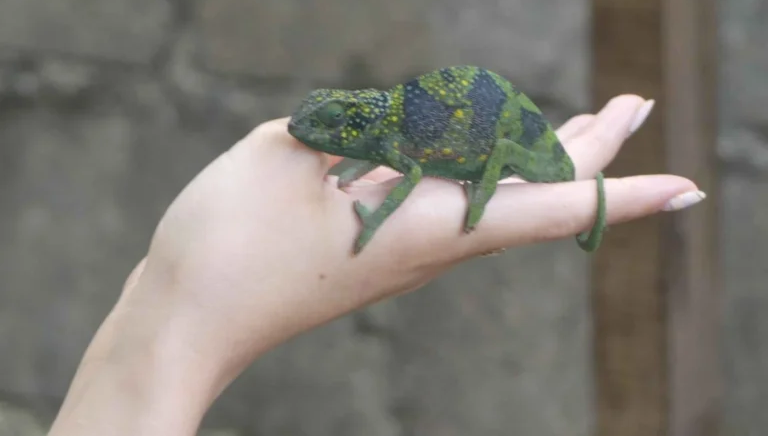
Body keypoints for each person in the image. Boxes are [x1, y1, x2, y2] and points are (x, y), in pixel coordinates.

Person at [47, 94, 703, 436]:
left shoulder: (390, 139)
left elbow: (409, 170)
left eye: (336, 126)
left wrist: (469, 202)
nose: (322, 138)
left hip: (490, 136)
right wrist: (184, 305)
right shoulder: (374, 133)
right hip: (458, 127)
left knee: (508, 161)